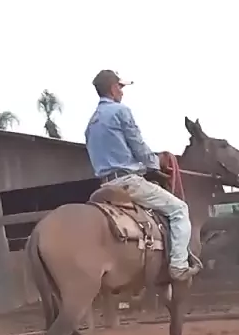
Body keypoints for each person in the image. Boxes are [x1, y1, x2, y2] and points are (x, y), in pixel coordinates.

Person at [85, 69, 202, 281]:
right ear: (113, 88)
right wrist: (156, 163)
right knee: (179, 209)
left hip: (105, 186)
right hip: (128, 182)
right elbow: (138, 146)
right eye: (121, 87)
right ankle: (178, 265)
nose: (122, 91)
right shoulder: (120, 111)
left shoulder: (91, 123)